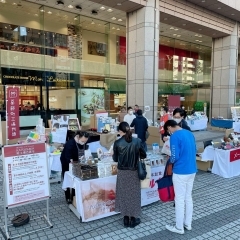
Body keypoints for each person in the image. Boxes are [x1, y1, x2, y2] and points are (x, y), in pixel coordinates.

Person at [163, 120, 197, 234]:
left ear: (170, 127)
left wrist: (170, 161)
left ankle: (179, 227)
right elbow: (194, 150)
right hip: (192, 169)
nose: (169, 132)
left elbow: (174, 156)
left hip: (180, 171)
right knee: (188, 197)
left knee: (179, 199)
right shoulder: (189, 133)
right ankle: (188, 223)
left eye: (168, 130)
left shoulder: (175, 136)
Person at [113, 122, 146, 228]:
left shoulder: (117, 143)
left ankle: (126, 218)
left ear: (120, 131)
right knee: (134, 195)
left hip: (122, 172)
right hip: (133, 171)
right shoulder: (137, 141)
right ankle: (133, 219)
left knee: (123, 194)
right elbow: (143, 155)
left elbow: (115, 159)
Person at [60, 131, 90, 204]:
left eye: (85, 141)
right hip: (67, 162)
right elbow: (68, 157)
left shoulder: (82, 142)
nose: (84, 142)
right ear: (78, 137)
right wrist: (73, 163)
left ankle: (74, 196)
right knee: (68, 178)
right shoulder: (70, 143)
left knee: (76, 179)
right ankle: (68, 197)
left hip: (78, 162)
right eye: (83, 141)